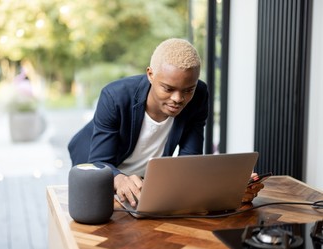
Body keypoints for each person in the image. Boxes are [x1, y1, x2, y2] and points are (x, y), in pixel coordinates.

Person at [68, 38, 263, 208]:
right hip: (100, 171)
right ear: (150, 74)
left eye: (188, 90)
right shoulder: (115, 97)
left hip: (145, 184)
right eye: (168, 88)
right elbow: (100, 162)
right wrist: (119, 179)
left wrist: (229, 186)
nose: (178, 98)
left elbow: (189, 160)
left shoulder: (199, 95)